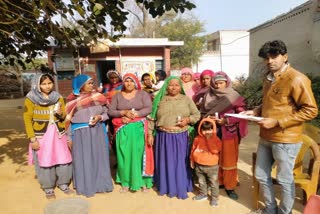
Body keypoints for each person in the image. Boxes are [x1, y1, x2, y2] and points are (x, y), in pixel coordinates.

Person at [244, 40, 318, 214]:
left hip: (286, 139)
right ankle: (270, 210)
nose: (270, 61)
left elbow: (311, 110)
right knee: (262, 175)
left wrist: (277, 122)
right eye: (266, 58)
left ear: (285, 56)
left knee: (284, 179)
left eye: (274, 56)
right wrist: (256, 111)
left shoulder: (296, 78)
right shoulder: (268, 78)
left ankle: (285, 212)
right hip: (266, 137)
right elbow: (272, 103)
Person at [147, 76, 201, 199]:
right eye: (171, 85)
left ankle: (181, 186)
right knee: (165, 163)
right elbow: (152, 118)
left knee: (180, 163)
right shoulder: (159, 100)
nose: (173, 87)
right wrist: (150, 134)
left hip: (181, 137)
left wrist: (187, 120)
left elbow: (196, 114)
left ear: (180, 86)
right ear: (166, 86)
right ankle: (166, 186)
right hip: (163, 137)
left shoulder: (186, 99)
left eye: (177, 85)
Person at [23, 73, 73, 199]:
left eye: (49, 83)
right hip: (42, 135)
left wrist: (61, 114)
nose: (47, 86)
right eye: (43, 84)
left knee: (63, 159)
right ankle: (48, 187)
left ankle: (63, 183)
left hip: (58, 134)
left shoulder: (57, 97)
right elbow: (27, 119)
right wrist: (32, 139)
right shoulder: (31, 99)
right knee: (45, 160)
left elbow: (63, 117)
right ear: (38, 84)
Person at [200, 71, 248, 200]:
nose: (218, 86)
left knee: (229, 160)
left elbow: (242, 115)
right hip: (212, 132)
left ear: (227, 83)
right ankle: (219, 182)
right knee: (215, 158)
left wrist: (226, 121)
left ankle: (230, 186)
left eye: (221, 83)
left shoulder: (234, 95)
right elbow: (202, 112)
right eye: (216, 83)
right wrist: (208, 118)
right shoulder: (208, 95)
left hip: (229, 132)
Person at [66, 74, 113, 197]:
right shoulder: (71, 101)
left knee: (99, 158)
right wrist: (69, 137)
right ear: (80, 86)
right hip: (80, 134)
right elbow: (67, 122)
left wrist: (100, 117)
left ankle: (101, 184)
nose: (92, 85)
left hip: (97, 131)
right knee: (84, 159)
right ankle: (85, 186)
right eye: (89, 83)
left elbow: (108, 113)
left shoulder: (99, 97)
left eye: (92, 83)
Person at [108, 73, 153, 193]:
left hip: (139, 129)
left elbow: (149, 108)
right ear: (123, 83)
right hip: (123, 129)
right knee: (124, 155)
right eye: (126, 81)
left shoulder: (142, 94)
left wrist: (135, 114)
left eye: (131, 81)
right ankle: (126, 181)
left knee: (139, 154)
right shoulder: (117, 96)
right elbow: (111, 111)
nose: (129, 83)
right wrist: (123, 113)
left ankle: (142, 181)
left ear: (136, 82)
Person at [190, 118, 222, 207]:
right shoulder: (197, 139)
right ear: (200, 129)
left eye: (210, 129)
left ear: (214, 129)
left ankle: (215, 198)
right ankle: (203, 194)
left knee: (213, 183)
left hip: (212, 166)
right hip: (199, 165)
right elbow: (193, 150)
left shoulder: (216, 139)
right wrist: (192, 160)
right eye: (204, 129)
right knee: (201, 181)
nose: (207, 132)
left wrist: (209, 140)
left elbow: (216, 150)